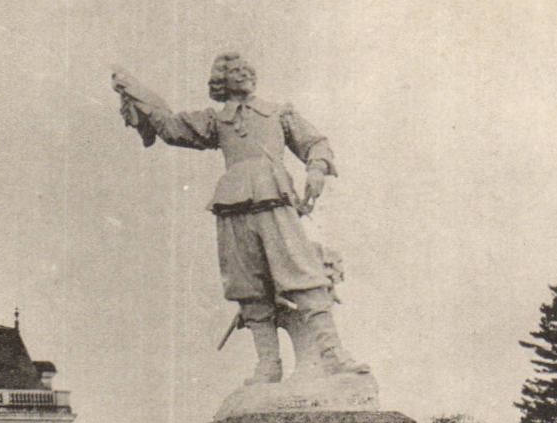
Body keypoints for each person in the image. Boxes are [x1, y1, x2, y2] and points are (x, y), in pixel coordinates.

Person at [112, 53, 368, 384]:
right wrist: (136, 92)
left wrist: (316, 169)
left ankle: (333, 354)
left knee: (303, 275)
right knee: (248, 286)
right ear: (221, 82)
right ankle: (268, 364)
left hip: (275, 200)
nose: (243, 74)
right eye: (233, 71)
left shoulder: (279, 113)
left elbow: (315, 143)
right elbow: (171, 128)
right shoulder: (215, 121)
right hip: (233, 206)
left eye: (245, 69)